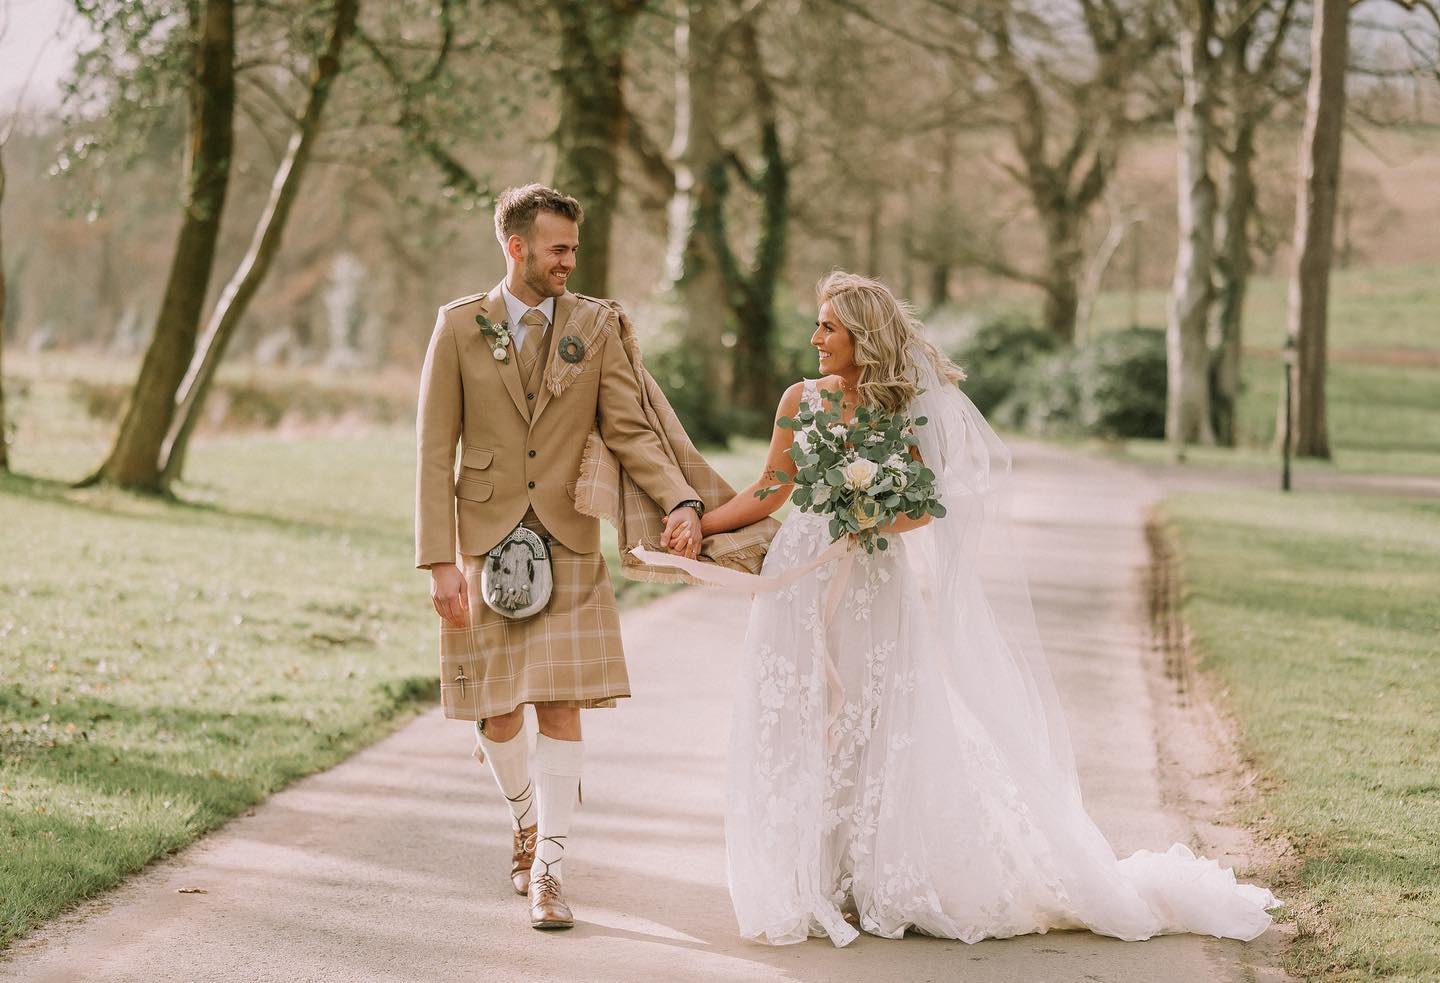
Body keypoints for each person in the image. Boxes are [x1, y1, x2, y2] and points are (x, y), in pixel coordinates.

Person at [698, 271, 1280, 947]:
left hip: (872, 582)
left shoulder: (905, 408)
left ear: (863, 335)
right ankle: (805, 878)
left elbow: (926, 505)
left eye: (828, 326)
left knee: (872, 721)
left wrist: (872, 516)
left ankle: (863, 880)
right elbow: (771, 487)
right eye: (818, 324)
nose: (815, 337)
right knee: (796, 715)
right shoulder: (800, 400)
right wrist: (703, 526)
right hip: (801, 578)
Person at [414, 184, 704, 930]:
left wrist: (680, 500)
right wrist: (439, 560)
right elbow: (432, 451)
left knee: (562, 703)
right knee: (497, 710)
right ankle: (524, 820)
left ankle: (548, 870)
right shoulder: (457, 327)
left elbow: (633, 428)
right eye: (558, 249)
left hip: (569, 535)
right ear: (516, 248)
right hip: (485, 543)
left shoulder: (594, 326)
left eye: (573, 248)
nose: (570, 261)